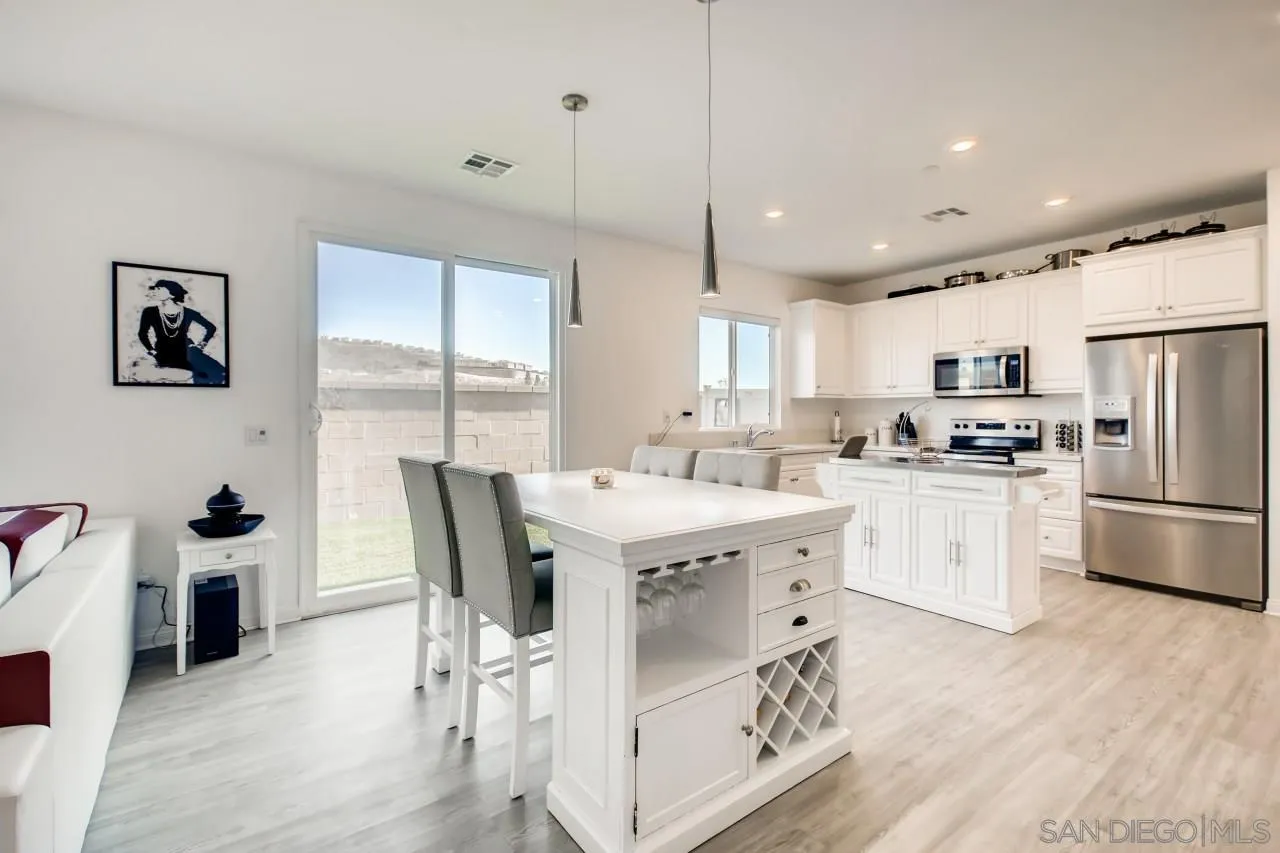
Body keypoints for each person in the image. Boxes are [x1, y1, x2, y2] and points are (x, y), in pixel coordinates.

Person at [136, 279, 226, 385]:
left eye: (159, 288)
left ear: (172, 294)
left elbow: (211, 328)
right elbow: (142, 333)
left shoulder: (188, 312)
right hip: (164, 351)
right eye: (155, 288)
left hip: (189, 351)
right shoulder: (149, 311)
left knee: (218, 372)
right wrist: (152, 351)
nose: (155, 291)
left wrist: (201, 344)